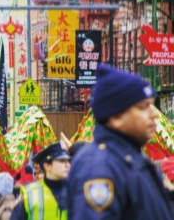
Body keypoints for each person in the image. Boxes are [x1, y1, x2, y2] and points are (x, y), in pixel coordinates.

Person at [67, 64, 174, 219]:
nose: (154, 114)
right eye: (143, 107)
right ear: (116, 117)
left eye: (152, 105)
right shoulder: (100, 167)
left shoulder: (133, 160)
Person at [10, 142, 70, 220]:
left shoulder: (77, 191)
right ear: (47, 166)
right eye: (62, 161)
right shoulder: (29, 193)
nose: (68, 165)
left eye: (68, 161)